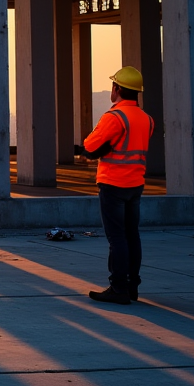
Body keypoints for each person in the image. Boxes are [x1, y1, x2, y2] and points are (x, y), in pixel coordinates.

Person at [81, 66, 154, 306]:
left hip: (113, 184)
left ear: (117, 89)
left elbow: (90, 146)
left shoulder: (115, 117)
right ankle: (132, 286)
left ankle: (118, 288)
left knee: (117, 238)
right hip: (136, 184)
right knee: (132, 235)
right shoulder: (147, 119)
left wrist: (103, 147)